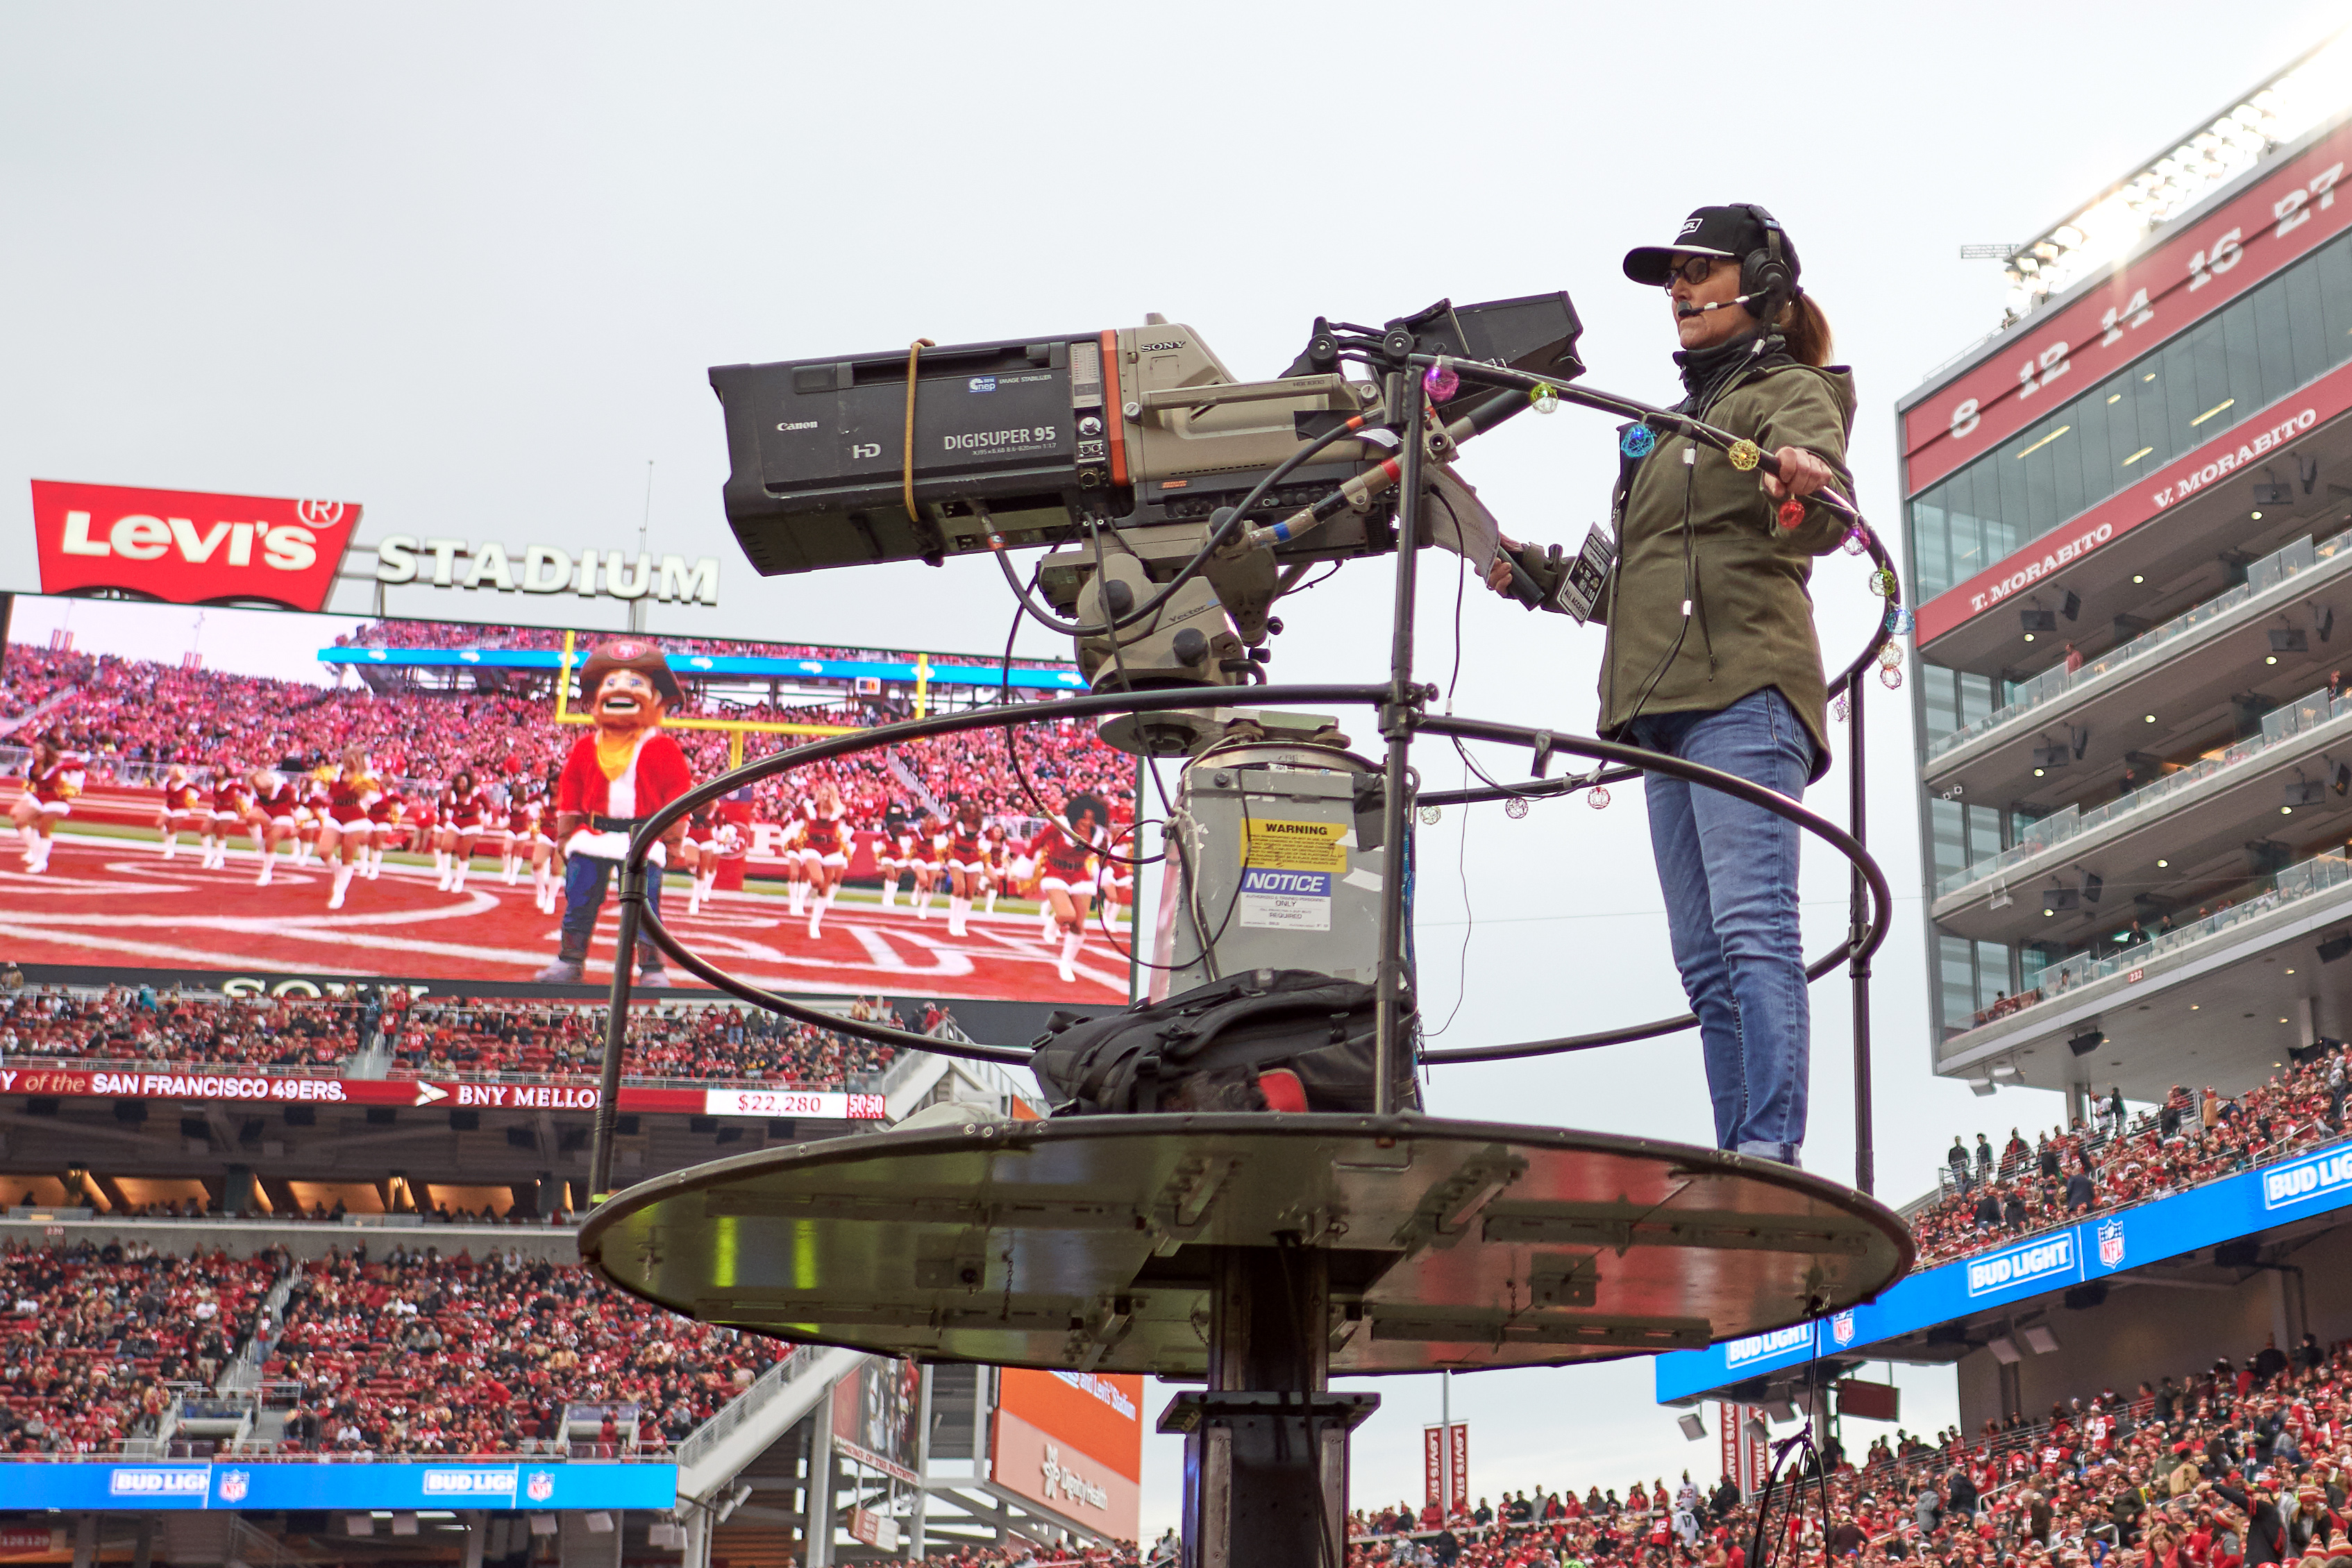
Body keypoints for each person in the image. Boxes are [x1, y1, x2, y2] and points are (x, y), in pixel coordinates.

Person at [1488, 203, 1848, 1165]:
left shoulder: (1790, 390)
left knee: (1752, 928)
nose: (1679, 290)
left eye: (1700, 270)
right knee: (1703, 959)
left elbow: (1823, 512)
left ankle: (1770, 1145)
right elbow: (1624, 585)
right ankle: (1739, 1149)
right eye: (1671, 276)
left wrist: (1805, 484)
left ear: (1763, 283)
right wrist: (1525, 569)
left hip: (1743, 691)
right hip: (1657, 712)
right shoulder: (1654, 434)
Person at [535, 641, 692, 986]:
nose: (621, 690)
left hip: (643, 839)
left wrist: (674, 840)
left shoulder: (662, 747)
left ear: (655, 699)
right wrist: (565, 836)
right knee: (579, 902)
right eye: (612, 683)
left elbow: (677, 795)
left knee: (645, 909)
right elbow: (571, 794)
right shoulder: (586, 746)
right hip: (593, 837)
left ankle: (652, 969)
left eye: (636, 684)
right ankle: (570, 961)